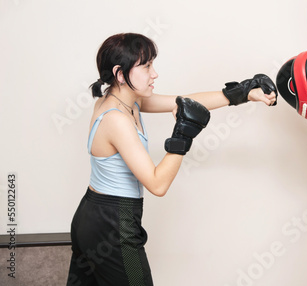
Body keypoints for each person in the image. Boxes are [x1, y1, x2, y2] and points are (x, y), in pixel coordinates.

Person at [66, 33, 277, 286]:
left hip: (91, 215)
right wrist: (182, 135)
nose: (154, 73)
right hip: (113, 224)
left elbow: (183, 101)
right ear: (120, 74)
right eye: (146, 66)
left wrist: (242, 94)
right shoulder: (117, 120)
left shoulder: (122, 101)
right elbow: (158, 184)